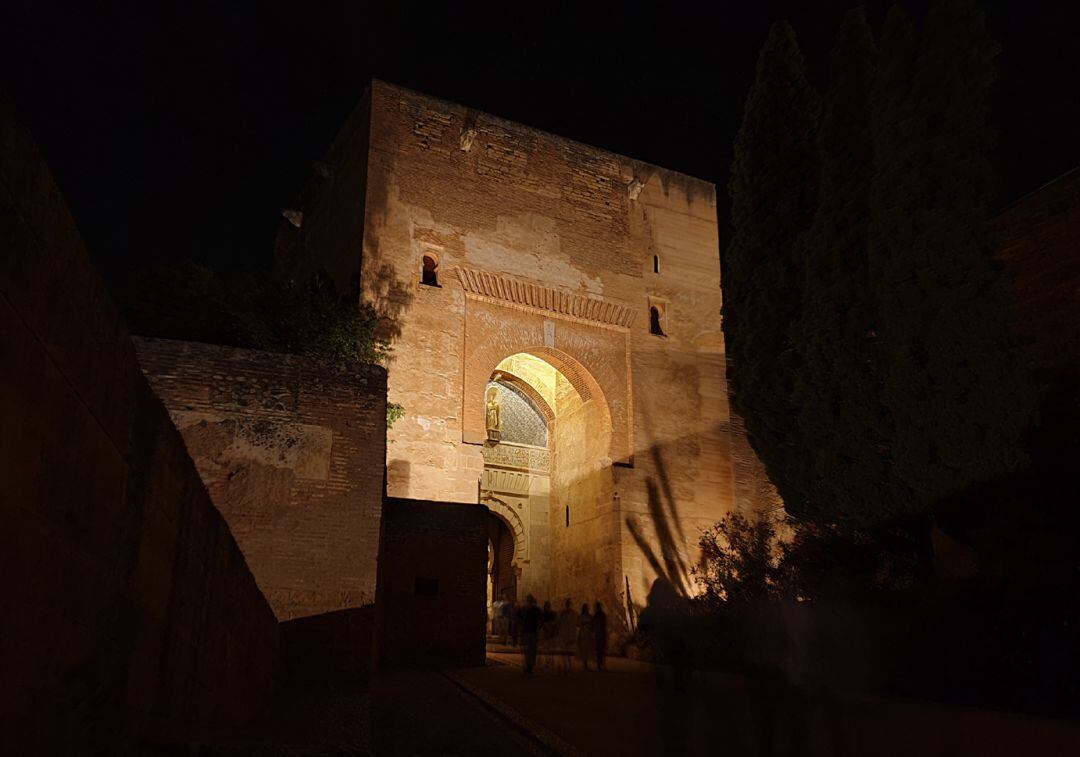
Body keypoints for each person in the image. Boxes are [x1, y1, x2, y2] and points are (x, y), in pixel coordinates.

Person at [520, 594, 543, 675]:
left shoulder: (529, 610)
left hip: (530, 632)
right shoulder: (526, 610)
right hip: (529, 632)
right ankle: (529, 667)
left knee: (530, 651)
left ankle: (529, 667)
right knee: (530, 651)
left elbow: (539, 622)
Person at [557, 599, 577, 674]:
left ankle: (568, 666)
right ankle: (566, 665)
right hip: (565, 634)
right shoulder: (565, 613)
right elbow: (560, 623)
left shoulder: (572, 613)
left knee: (568, 651)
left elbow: (573, 624)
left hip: (568, 634)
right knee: (565, 651)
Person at [577, 603, 595, 671]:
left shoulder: (589, 616)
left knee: (587, 649)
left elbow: (592, 625)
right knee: (583, 649)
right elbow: (578, 624)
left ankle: (586, 663)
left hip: (587, 634)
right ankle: (584, 663)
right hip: (583, 634)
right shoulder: (580, 616)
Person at [541, 600, 558, 669]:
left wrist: (552, 627)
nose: (548, 607)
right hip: (546, 632)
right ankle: (547, 662)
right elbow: (542, 622)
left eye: (549, 605)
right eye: (547, 605)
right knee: (546, 648)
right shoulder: (544, 614)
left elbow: (555, 622)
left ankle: (551, 661)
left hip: (551, 632)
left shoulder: (553, 613)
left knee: (551, 647)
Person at [592, 601, 609, 671]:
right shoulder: (602, 615)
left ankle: (600, 665)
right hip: (601, 633)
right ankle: (602, 664)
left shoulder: (596, 616)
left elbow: (593, 625)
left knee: (599, 650)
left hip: (598, 634)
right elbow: (604, 624)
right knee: (602, 650)